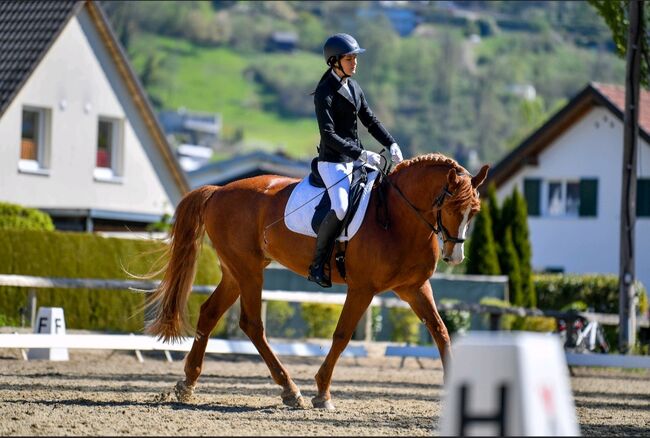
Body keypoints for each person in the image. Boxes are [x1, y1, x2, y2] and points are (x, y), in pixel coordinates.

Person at [307, 33, 404, 288]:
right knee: (339, 206)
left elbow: (370, 121)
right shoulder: (324, 92)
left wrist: (390, 143)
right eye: (350, 58)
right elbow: (328, 135)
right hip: (333, 161)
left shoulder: (353, 87)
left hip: (354, 158)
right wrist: (360, 154)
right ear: (335, 61)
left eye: (355, 58)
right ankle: (317, 264)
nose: (355, 62)